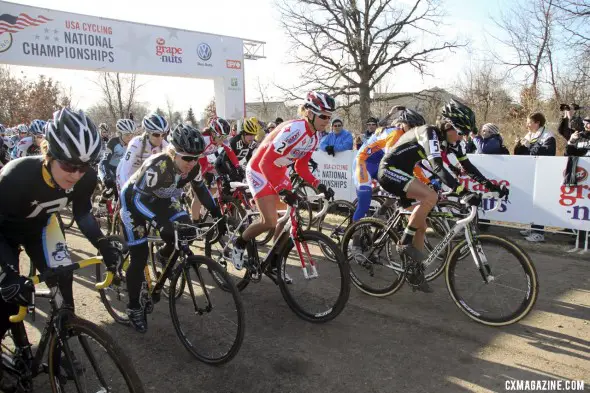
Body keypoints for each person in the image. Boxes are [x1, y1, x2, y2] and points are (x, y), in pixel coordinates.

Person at [0, 108, 119, 373]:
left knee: (63, 282)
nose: (76, 174)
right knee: (8, 297)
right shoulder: (15, 176)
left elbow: (83, 214)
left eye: (84, 167)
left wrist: (103, 244)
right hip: (4, 235)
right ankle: (18, 346)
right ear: (49, 154)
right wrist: (7, 275)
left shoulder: (84, 177)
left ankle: (59, 346)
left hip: (41, 228)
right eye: (68, 166)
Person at [378, 100, 508, 292]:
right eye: (461, 132)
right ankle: (404, 244)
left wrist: (492, 186)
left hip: (405, 174)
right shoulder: (429, 132)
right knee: (431, 196)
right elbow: (438, 167)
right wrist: (462, 192)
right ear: (448, 126)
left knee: (421, 226)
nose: (463, 138)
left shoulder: (450, 140)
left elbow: (468, 167)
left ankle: (414, 272)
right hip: (389, 171)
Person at [119, 124, 221, 332]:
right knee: (138, 257)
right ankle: (133, 307)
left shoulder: (193, 167)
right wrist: (159, 223)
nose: (192, 163)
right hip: (135, 202)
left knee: (187, 230)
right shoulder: (158, 165)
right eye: (186, 158)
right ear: (173, 153)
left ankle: (164, 256)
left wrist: (218, 213)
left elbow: (201, 191)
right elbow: (138, 200)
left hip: (163, 198)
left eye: (195, 158)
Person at [230, 91, 336, 270]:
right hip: (259, 169)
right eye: (323, 116)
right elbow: (265, 162)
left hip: (278, 170)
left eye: (329, 117)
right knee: (269, 221)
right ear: (310, 113)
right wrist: (281, 190)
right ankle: (239, 244)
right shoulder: (295, 130)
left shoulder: (315, 136)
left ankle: (274, 261)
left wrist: (319, 184)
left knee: (291, 216)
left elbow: (300, 167)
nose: (327, 120)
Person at [353, 108, 430, 222]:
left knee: (397, 188)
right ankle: (354, 236)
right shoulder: (395, 135)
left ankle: (380, 213)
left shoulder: (408, 137)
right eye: (412, 127)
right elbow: (397, 161)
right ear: (404, 124)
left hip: (379, 163)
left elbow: (413, 164)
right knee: (364, 204)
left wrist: (426, 181)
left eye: (418, 128)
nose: (415, 130)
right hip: (364, 162)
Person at [514, 112, 556, 242]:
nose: (527, 125)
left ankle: (539, 232)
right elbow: (521, 154)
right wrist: (519, 145)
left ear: (537, 123)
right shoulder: (529, 135)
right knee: (531, 202)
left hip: (543, 173)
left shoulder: (548, 136)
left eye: (529, 122)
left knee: (539, 203)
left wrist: (530, 145)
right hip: (530, 172)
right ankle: (532, 227)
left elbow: (548, 153)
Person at [116, 113, 169, 190]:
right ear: (147, 132)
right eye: (156, 134)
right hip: (127, 174)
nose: (160, 138)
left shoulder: (164, 145)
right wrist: (125, 191)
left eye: (164, 134)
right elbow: (125, 170)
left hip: (144, 177)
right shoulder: (136, 143)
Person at [98, 118, 136, 201]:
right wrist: (107, 176)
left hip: (118, 168)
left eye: (132, 135)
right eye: (127, 135)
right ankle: (101, 204)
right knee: (111, 187)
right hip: (106, 167)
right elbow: (105, 161)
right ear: (120, 134)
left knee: (124, 191)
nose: (130, 138)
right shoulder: (113, 142)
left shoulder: (133, 144)